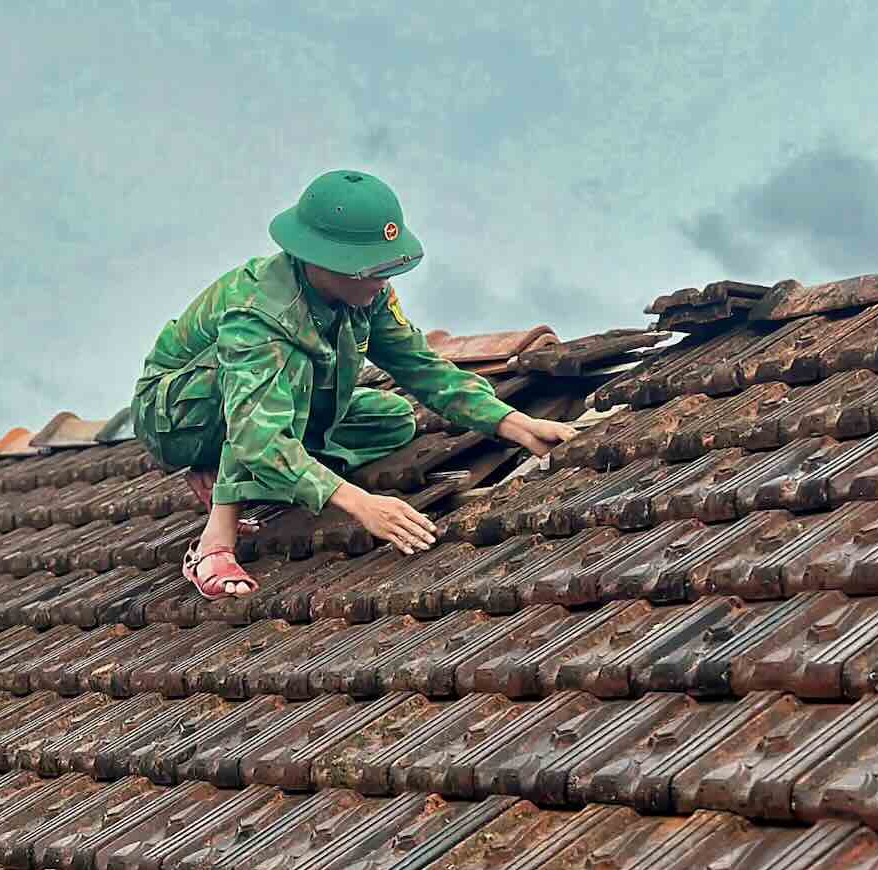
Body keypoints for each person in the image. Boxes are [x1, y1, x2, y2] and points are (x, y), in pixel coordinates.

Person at [131, 170, 576, 599]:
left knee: (394, 418)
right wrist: (361, 504)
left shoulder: (369, 294)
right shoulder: (259, 315)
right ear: (320, 260)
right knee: (288, 377)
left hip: (264, 411)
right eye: (369, 269)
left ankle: (257, 473)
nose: (383, 280)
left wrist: (512, 422)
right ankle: (214, 542)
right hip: (178, 416)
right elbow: (257, 432)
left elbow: (421, 366)